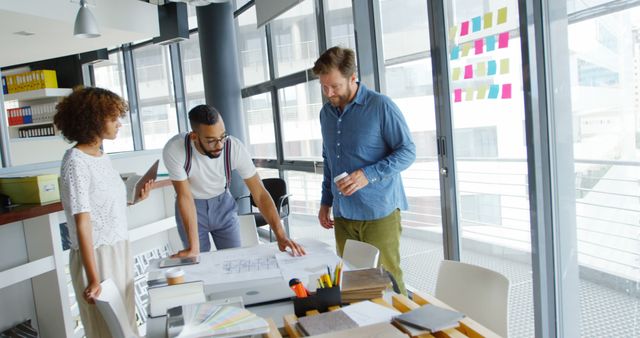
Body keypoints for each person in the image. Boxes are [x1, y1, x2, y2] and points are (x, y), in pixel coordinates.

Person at [313, 47, 416, 295]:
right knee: (352, 281)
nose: (329, 93)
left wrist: (367, 175)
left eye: (335, 86)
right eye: (324, 86)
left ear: (352, 78)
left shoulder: (381, 106)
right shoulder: (325, 113)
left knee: (387, 280)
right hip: (344, 214)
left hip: (379, 211)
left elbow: (407, 151)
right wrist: (325, 201)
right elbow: (329, 159)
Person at [55, 87, 153, 337]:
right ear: (93, 120)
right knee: (106, 330)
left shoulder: (101, 157)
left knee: (126, 327)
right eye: (113, 118)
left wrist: (134, 200)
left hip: (119, 249)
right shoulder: (75, 161)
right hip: (97, 256)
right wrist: (93, 277)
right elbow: (82, 222)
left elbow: (104, 208)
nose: (119, 124)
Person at [162, 104, 304, 257]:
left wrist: (280, 235)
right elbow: (185, 196)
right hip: (192, 206)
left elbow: (260, 193)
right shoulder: (175, 149)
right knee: (198, 261)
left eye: (222, 136)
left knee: (235, 259)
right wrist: (193, 248)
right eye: (211, 141)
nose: (220, 145)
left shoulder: (233, 147)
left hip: (223, 205)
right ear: (194, 137)